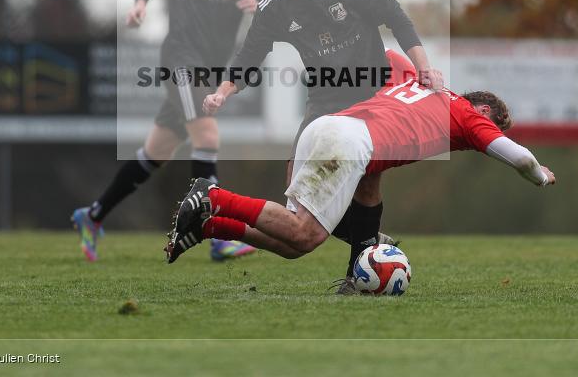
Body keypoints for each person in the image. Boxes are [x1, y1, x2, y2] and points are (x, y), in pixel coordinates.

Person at [202, 0, 443, 289]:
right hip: (323, 101)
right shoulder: (274, 5)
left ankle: (356, 272)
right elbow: (250, 55)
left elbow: (397, 17)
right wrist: (224, 91)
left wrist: (424, 67)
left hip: (371, 97)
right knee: (296, 205)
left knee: (366, 184)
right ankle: (368, 241)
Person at [168, 50, 555, 279]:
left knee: (293, 245)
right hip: (347, 143)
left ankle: (210, 224)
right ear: (485, 110)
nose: (489, 133)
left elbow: (383, 54)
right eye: (494, 124)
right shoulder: (470, 117)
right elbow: (518, 156)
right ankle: (213, 197)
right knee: (305, 234)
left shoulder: (414, 79)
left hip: (328, 127)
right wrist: (539, 175)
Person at [71, 0, 272, 261]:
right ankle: (216, 236)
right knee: (207, 134)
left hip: (212, 68)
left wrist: (258, 1)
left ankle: (92, 215)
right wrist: (139, 5)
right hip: (180, 57)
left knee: (155, 153)